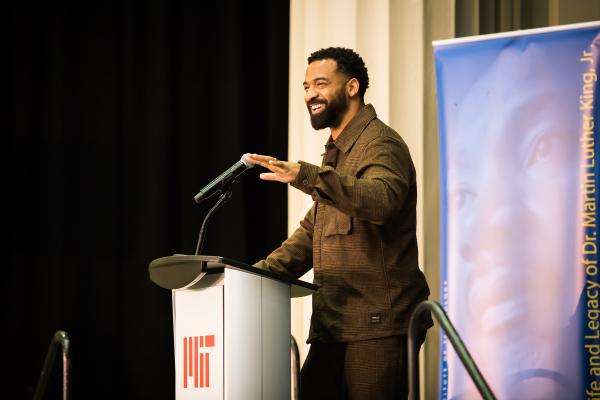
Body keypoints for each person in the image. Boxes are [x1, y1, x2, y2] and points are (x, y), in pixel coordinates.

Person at [248, 47, 432, 399]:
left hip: (378, 326)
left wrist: (307, 175)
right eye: (305, 87)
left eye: (320, 83)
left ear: (351, 87)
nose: (310, 94)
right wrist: (247, 276)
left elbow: (381, 201)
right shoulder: (336, 153)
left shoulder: (381, 143)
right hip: (335, 324)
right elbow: (310, 235)